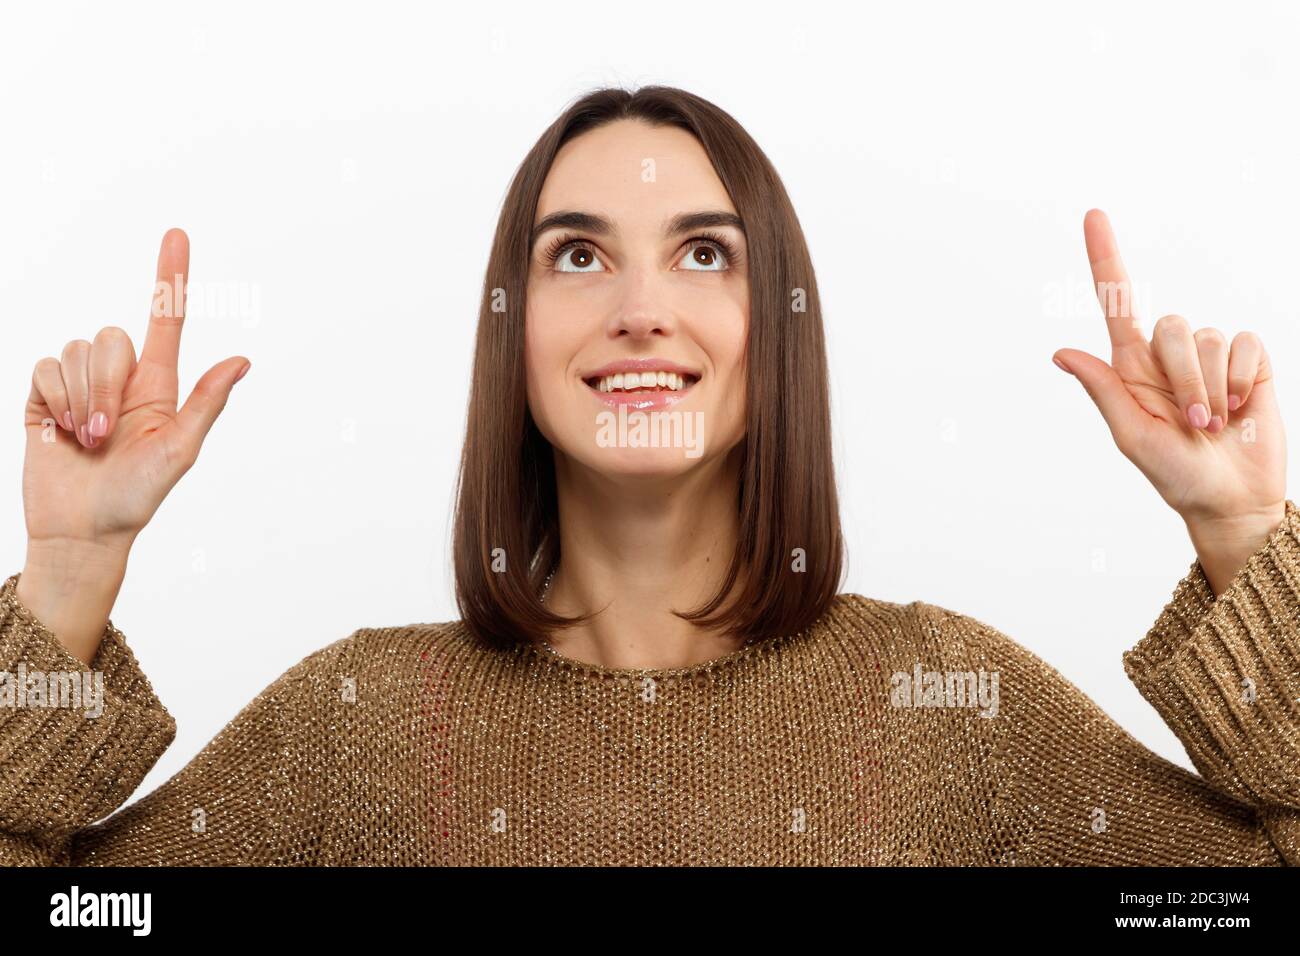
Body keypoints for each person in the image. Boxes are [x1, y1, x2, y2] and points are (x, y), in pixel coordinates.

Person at [2, 86, 1296, 866]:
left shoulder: (944, 706)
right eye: (577, 256)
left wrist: (1241, 529)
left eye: (703, 254)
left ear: (775, 322)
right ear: (514, 326)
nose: (637, 308)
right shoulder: (358, 727)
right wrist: (68, 576)